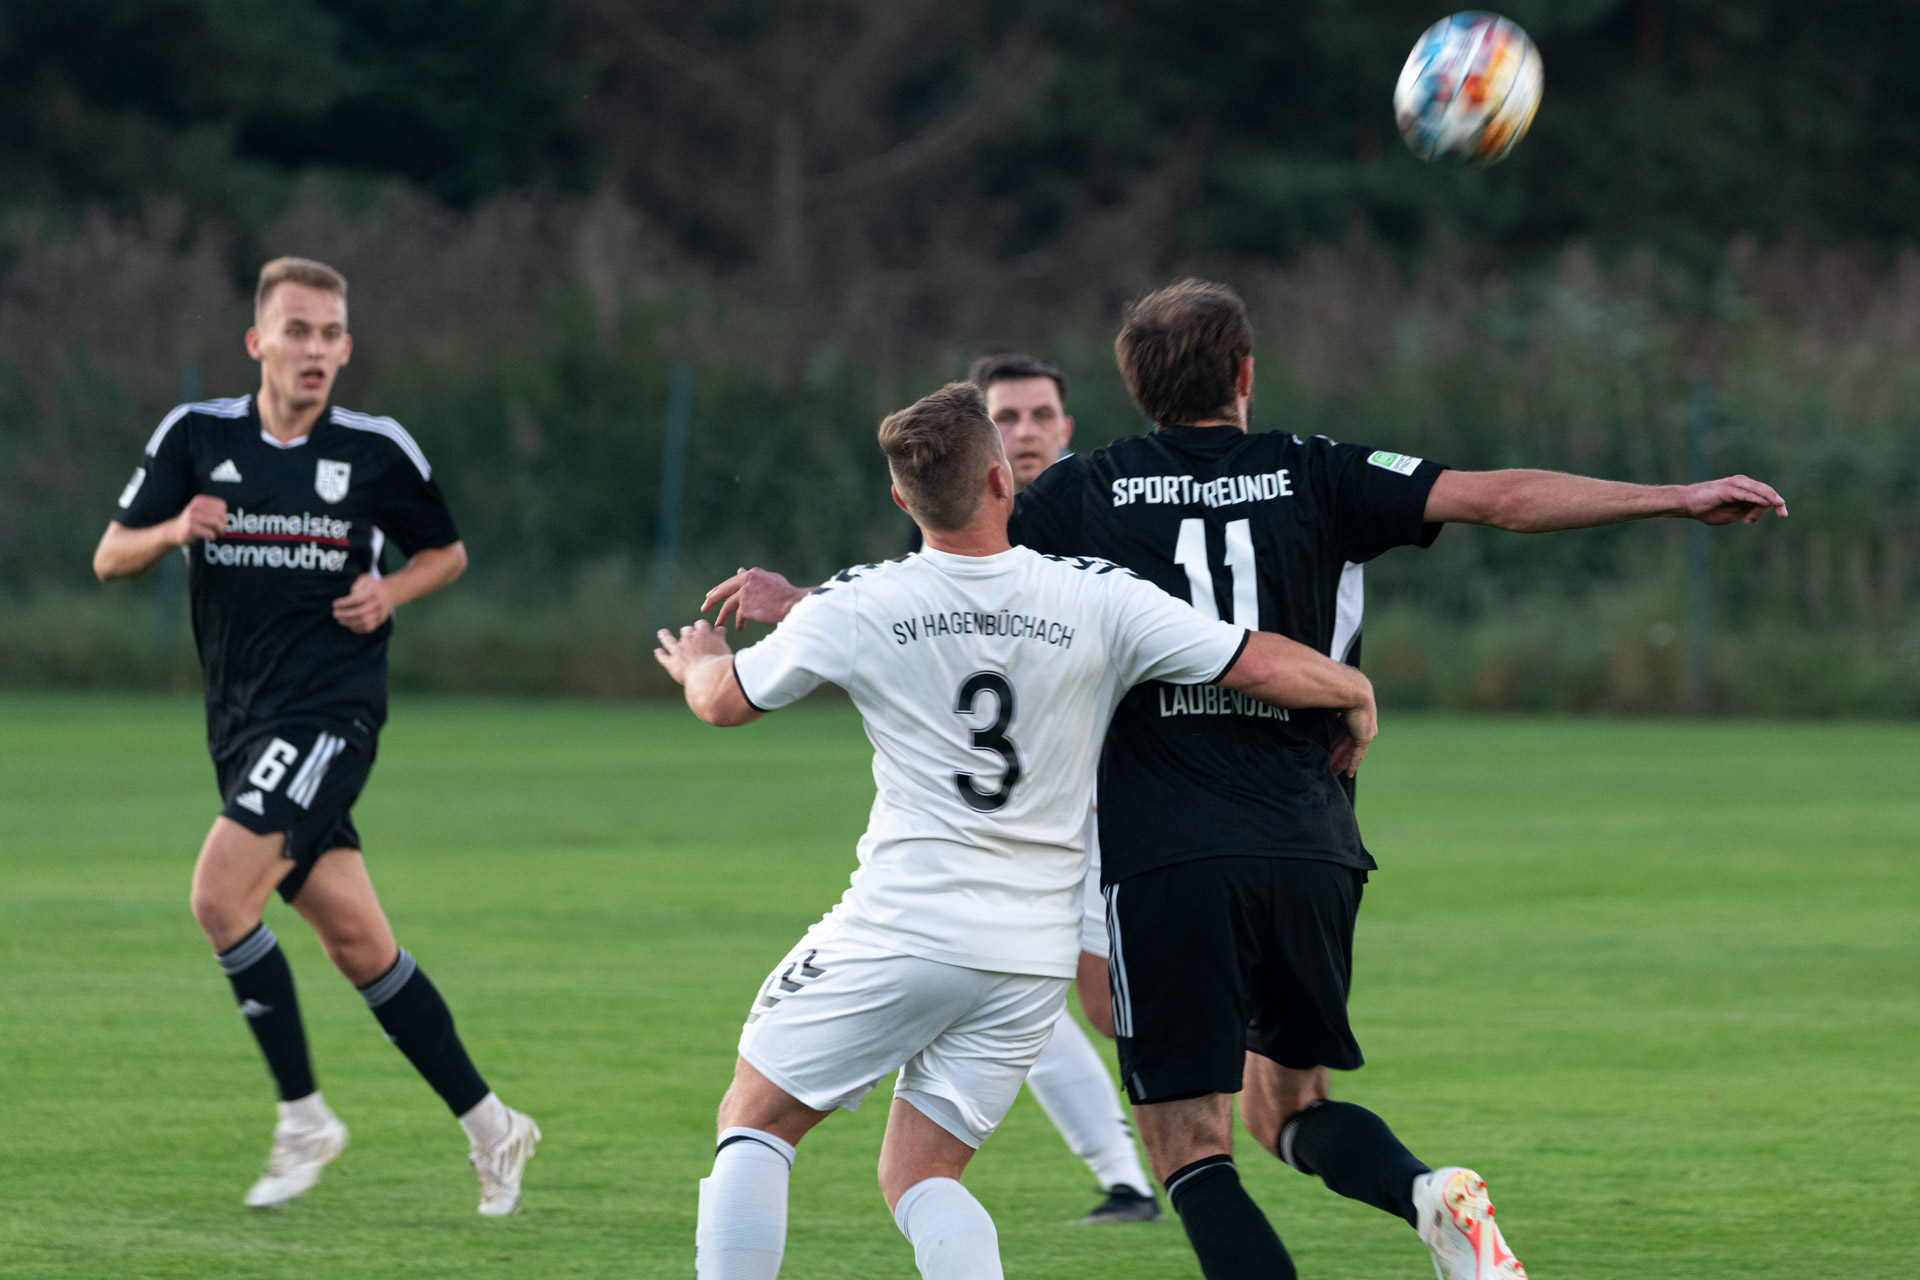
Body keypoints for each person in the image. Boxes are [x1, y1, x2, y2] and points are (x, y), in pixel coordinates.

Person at [701, 279, 1788, 1280]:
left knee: (1190, 1145)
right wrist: (1677, 496)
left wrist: (806, 604)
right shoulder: (1320, 470)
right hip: (1315, 837)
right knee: (1290, 1106)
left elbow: (952, 572)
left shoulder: (1085, 492)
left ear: (1131, 387)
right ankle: (1425, 1194)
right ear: (1245, 374)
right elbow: (1499, 497)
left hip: (1168, 850)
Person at [655, 380, 1379, 1280]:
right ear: (1003, 481)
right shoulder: (1098, 596)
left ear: (901, 500)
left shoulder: (861, 601)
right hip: (1029, 956)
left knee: (754, 1121)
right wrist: (1351, 688)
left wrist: (700, 661)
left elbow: (723, 702)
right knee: (921, 1173)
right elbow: (1254, 662)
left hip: (903, 925)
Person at [92, 257, 541, 1215]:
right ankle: (493, 1125)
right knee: (358, 945)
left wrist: (392, 589)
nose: (317, 349)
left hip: (333, 715)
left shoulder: (375, 450)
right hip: (240, 728)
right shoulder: (196, 435)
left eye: (332, 334)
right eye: (298, 330)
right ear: (257, 341)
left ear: (346, 349)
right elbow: (108, 555)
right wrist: (174, 529)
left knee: (219, 899)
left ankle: (304, 1119)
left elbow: (447, 553)